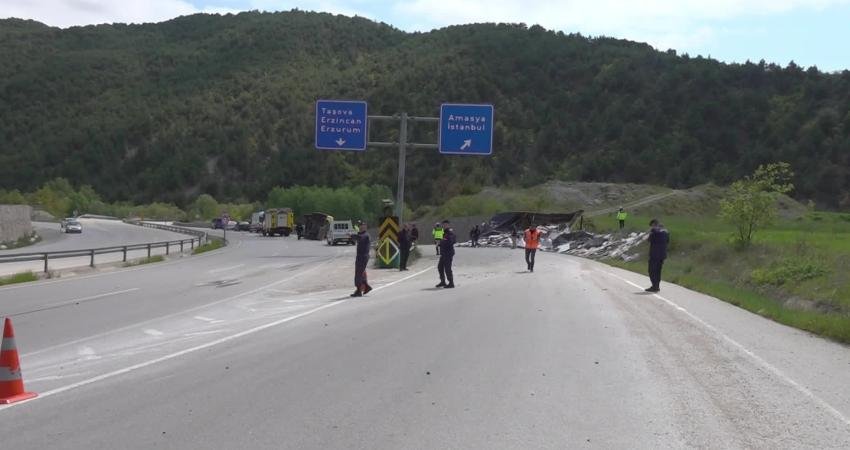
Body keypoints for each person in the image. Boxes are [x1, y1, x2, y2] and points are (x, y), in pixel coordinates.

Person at [646, 219, 669, 292]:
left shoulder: (656, 233)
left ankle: (655, 286)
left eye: (652, 226)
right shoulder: (665, 232)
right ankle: (656, 286)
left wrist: (652, 232)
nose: (652, 227)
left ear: (655, 225)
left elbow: (650, 239)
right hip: (661, 255)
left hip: (655, 255)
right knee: (657, 271)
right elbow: (667, 241)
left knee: (652, 271)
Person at [351, 222, 373, 297]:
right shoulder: (361, 234)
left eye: (362, 226)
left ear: (365, 226)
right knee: (361, 273)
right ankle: (366, 287)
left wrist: (352, 235)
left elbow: (360, 238)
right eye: (359, 225)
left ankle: (359, 290)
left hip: (363, 257)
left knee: (358, 274)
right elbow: (358, 237)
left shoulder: (366, 235)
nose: (360, 227)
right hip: (360, 256)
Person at [435, 220, 456, 288]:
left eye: (445, 225)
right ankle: (443, 281)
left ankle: (451, 282)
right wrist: (440, 243)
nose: (444, 226)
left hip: (448, 253)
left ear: (448, 225)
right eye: (443, 225)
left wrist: (442, 242)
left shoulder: (450, 233)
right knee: (440, 267)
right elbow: (444, 241)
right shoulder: (444, 233)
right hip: (444, 253)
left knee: (447, 268)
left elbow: (451, 242)